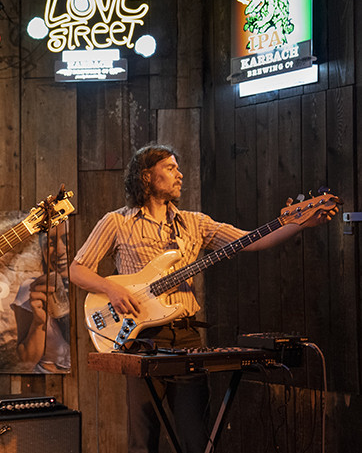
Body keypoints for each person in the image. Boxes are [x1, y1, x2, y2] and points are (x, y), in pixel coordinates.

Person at [69, 144, 337, 453]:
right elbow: (77, 270)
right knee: (143, 440)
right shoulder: (116, 222)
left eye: (178, 167)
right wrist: (112, 289)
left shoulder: (194, 223)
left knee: (196, 437)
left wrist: (299, 223)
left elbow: (249, 240)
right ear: (146, 176)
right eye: (170, 168)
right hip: (141, 340)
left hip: (186, 337)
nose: (180, 174)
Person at [11, 225, 71, 373]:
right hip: (48, 380)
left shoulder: (95, 289)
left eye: (67, 240)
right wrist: (38, 324)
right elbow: (26, 361)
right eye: (50, 243)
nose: (59, 250)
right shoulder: (32, 290)